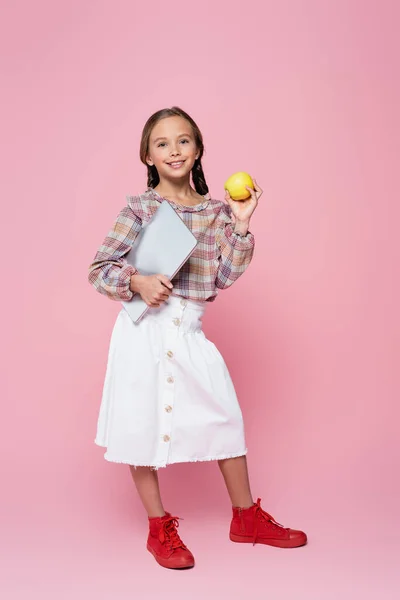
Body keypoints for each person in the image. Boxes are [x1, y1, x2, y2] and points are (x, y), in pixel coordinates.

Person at [88, 106, 307, 569]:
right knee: (140, 425)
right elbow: (99, 269)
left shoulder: (216, 212)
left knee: (224, 413)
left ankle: (245, 517)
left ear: (199, 149)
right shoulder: (139, 209)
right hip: (142, 330)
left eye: (183, 141)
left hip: (189, 326)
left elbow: (225, 275)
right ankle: (158, 527)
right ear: (147, 155)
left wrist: (243, 222)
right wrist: (137, 281)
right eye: (162, 143)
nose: (174, 150)